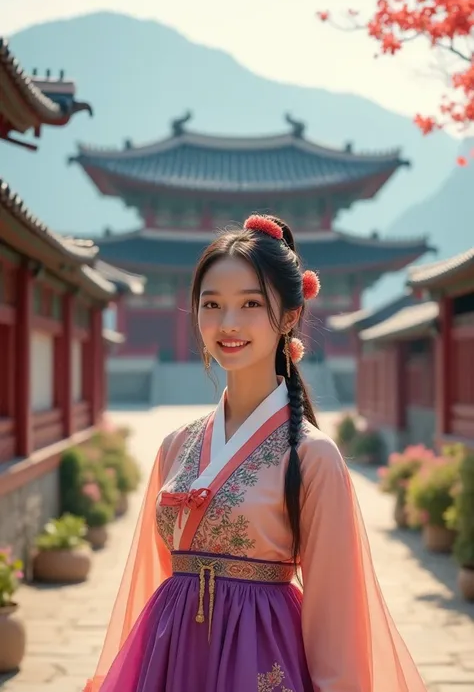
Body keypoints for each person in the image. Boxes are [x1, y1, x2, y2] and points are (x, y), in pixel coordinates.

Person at [84, 215, 428, 692]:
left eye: (250, 303)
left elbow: (337, 618)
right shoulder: (176, 447)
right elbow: (151, 577)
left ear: (289, 315)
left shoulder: (312, 457)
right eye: (212, 304)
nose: (228, 323)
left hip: (261, 661)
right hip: (173, 658)